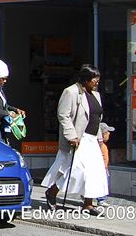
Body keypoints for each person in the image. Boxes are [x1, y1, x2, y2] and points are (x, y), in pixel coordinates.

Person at [42, 65, 108, 214]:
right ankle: (52, 192)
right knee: (76, 171)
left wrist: (99, 137)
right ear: (85, 80)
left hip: (92, 138)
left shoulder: (95, 95)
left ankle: (88, 203)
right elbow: (63, 115)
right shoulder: (71, 92)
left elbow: (97, 117)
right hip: (79, 137)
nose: (97, 81)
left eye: (98, 78)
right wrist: (71, 135)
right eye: (94, 79)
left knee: (94, 172)